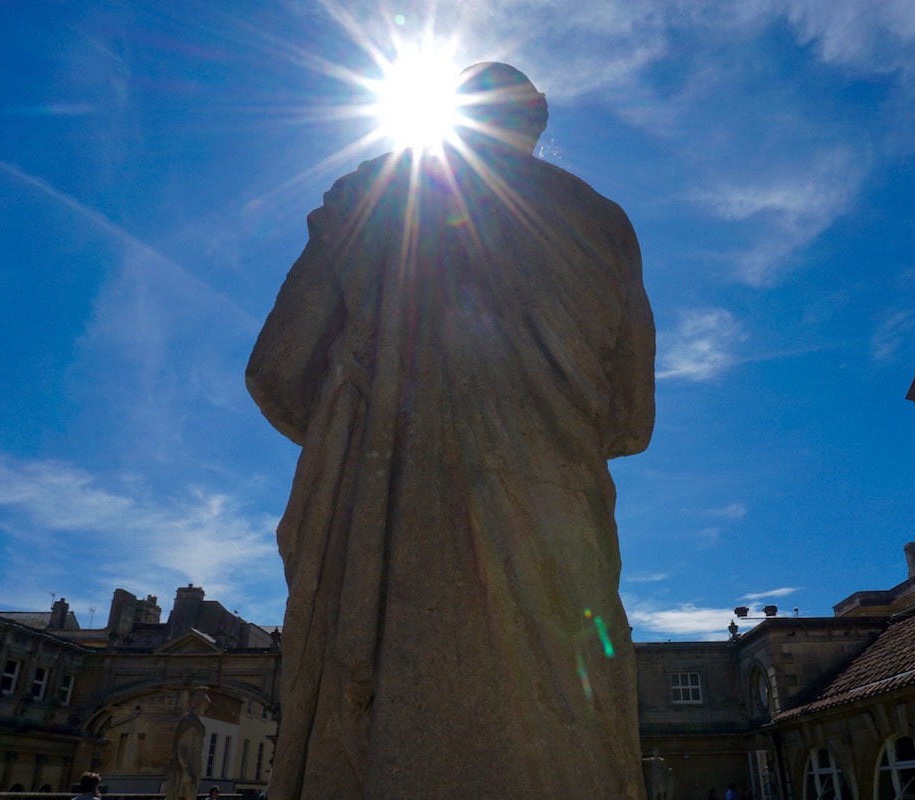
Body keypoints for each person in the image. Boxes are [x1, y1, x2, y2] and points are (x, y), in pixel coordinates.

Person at [248, 61, 654, 799]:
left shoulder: (377, 196)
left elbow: (277, 368)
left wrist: (369, 443)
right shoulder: (606, 226)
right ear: (537, 122)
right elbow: (632, 419)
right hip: (561, 536)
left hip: (397, 528)